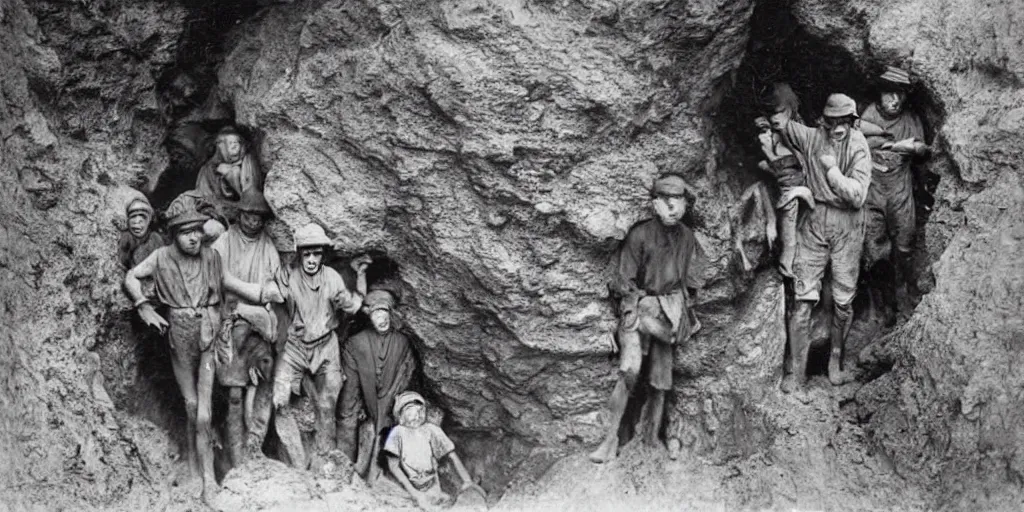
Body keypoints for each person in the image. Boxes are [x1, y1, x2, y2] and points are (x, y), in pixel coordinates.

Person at [123, 192, 282, 503]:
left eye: (197, 230)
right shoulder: (161, 257)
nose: (193, 237)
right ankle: (194, 468)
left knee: (205, 411)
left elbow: (232, 283)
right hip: (179, 336)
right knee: (192, 407)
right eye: (185, 232)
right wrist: (143, 305)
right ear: (173, 234)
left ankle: (209, 478)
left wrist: (264, 292)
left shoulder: (211, 257)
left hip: (207, 334)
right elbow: (132, 276)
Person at [589, 174, 707, 463]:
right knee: (629, 371)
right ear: (654, 204)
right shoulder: (640, 235)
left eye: (677, 202)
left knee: (660, 381)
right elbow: (623, 283)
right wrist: (639, 307)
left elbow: (690, 285)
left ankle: (652, 439)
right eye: (665, 202)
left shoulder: (687, 239)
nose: (672, 208)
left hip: (667, 313)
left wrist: (672, 306)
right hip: (638, 311)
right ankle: (609, 440)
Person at [775, 93, 872, 393]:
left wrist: (831, 170)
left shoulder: (858, 146)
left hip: (848, 225)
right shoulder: (812, 137)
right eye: (832, 121)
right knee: (802, 299)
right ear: (824, 121)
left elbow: (857, 195)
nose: (838, 127)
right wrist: (779, 104)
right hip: (814, 221)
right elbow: (783, 122)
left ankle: (836, 360)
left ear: (853, 122)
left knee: (843, 301)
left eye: (844, 121)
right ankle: (797, 373)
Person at [271, 223, 368, 469]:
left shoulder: (332, 278)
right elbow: (270, 291)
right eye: (307, 254)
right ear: (299, 254)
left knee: (328, 403)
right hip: (294, 348)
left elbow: (355, 304)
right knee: (279, 399)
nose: (312, 259)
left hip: (326, 347)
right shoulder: (288, 276)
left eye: (316, 254)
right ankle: (296, 462)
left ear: (323, 255)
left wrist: (361, 276)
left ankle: (325, 458)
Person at [210, 190, 283, 466]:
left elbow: (275, 287)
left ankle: (255, 448)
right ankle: (236, 458)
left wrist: (268, 294)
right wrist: (253, 293)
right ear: (239, 215)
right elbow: (218, 275)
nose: (253, 222)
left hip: (258, 329)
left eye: (258, 218)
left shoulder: (267, 246)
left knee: (265, 380)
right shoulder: (225, 241)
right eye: (248, 215)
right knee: (234, 395)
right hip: (230, 322)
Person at [859, 66, 929, 322]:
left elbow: (922, 155)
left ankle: (907, 301)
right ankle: (883, 306)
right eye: (889, 93)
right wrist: (896, 145)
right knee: (876, 252)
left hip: (901, 193)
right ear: (879, 93)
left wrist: (918, 151)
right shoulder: (866, 116)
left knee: (904, 247)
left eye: (900, 94)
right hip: (872, 194)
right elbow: (857, 146)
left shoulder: (911, 119)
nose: (895, 100)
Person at [338, 287, 416, 481]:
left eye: (385, 312)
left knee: (388, 419)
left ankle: (379, 471)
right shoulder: (356, 344)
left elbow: (405, 377)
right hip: (365, 402)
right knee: (347, 413)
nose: (382, 319)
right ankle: (344, 463)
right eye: (376, 313)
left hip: (389, 404)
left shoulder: (402, 342)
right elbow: (351, 389)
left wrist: (389, 402)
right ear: (368, 316)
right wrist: (362, 405)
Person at [384, 391, 482, 511]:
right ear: (400, 415)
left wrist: (467, 481)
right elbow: (393, 466)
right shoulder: (397, 434)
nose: (417, 416)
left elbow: (451, 455)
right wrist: (415, 494)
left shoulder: (431, 430)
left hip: (432, 485)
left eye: (421, 410)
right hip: (409, 487)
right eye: (410, 411)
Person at [195, 126, 262, 204]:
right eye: (230, 143)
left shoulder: (248, 161)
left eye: (236, 143)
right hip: (220, 196)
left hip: (243, 197)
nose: (234, 146)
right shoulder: (209, 167)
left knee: (234, 171)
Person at [117, 190, 166, 270]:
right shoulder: (126, 238)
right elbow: (122, 261)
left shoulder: (155, 239)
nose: (137, 222)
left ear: (149, 220)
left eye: (142, 217)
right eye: (133, 216)